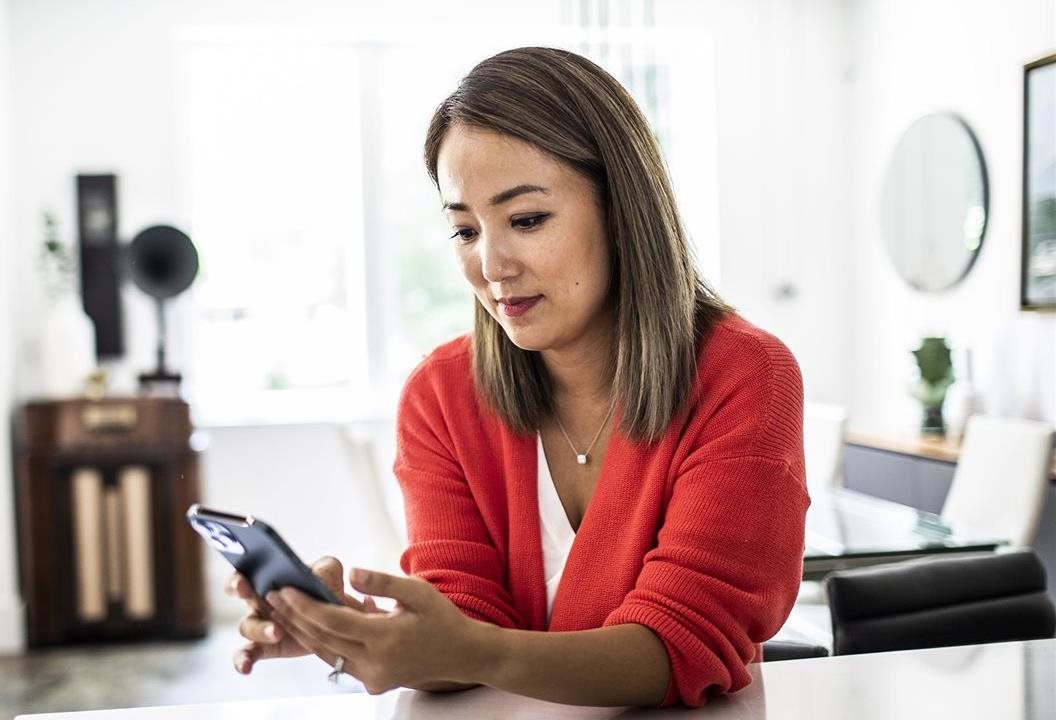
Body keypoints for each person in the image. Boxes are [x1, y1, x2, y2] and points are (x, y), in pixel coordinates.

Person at [225, 46, 808, 709]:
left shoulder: (744, 375)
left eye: (526, 220)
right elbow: (462, 620)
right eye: (465, 230)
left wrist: (468, 649)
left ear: (622, 212)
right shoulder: (440, 396)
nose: (492, 265)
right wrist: (355, 631)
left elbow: (682, 644)